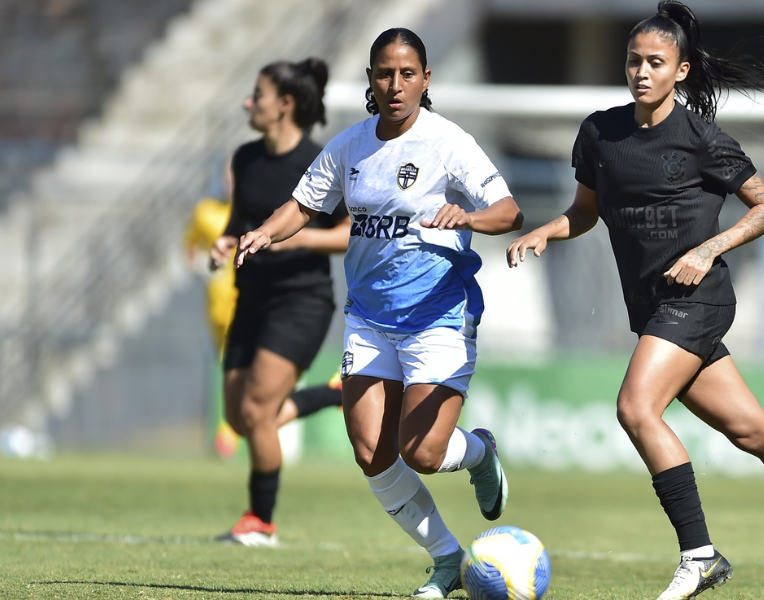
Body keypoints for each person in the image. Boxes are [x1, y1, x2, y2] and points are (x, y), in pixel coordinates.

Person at [506, 3, 764, 600]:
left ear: (680, 72)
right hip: (657, 309)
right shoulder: (599, 133)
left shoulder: (701, 138)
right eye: (633, 60)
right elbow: (584, 213)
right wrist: (544, 231)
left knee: (636, 408)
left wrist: (709, 249)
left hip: (697, 300)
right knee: (753, 432)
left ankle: (700, 555)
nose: (641, 71)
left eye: (655, 62)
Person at [235, 28, 522, 598]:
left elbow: (509, 211)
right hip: (369, 317)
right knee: (372, 453)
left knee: (423, 452)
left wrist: (467, 219)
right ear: (370, 79)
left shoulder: (449, 143)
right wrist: (266, 233)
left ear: (425, 79)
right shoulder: (349, 145)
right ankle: (445, 558)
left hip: (438, 313)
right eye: (384, 74)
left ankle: (481, 451)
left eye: (407, 74)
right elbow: (304, 204)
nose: (395, 85)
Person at [209, 57, 351, 546]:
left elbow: (350, 234)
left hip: (302, 301)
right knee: (239, 417)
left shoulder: (322, 161)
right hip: (250, 299)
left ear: (285, 105)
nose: (249, 102)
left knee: (255, 409)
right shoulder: (245, 158)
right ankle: (335, 394)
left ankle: (260, 521)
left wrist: (295, 240)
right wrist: (226, 242)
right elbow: (238, 219)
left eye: (258, 94)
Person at [185, 159, 345, 460]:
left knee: (254, 408)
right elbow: (191, 249)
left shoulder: (269, 209)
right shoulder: (207, 212)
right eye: (228, 176)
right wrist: (204, 264)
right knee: (252, 412)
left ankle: (234, 451)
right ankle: (333, 393)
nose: (233, 182)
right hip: (219, 309)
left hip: (258, 307)